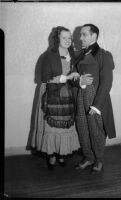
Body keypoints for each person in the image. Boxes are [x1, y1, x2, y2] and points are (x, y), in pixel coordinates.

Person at [27, 26, 84, 170]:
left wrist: (79, 80)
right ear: (57, 39)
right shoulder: (48, 55)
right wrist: (67, 77)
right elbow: (45, 79)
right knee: (51, 127)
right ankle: (51, 155)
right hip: (50, 93)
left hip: (66, 94)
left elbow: (74, 75)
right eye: (64, 37)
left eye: (69, 37)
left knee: (64, 127)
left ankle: (61, 154)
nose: (68, 40)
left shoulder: (72, 53)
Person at [74, 24, 116, 173]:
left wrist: (96, 105)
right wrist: (80, 81)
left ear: (94, 36)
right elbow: (72, 76)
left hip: (96, 97)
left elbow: (106, 82)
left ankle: (98, 159)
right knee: (82, 128)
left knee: (96, 130)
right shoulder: (79, 54)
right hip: (81, 95)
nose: (80, 38)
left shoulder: (104, 55)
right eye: (80, 35)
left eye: (84, 34)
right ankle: (88, 157)